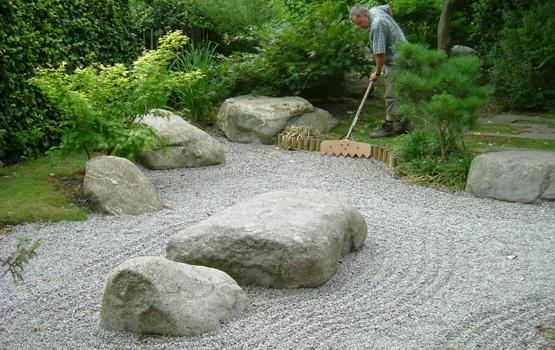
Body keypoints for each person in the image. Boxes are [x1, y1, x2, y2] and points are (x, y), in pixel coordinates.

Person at [350, 4, 411, 138]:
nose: (359, 26)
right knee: (398, 92)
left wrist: (376, 73)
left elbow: (380, 55)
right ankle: (404, 124)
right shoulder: (375, 10)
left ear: (365, 16)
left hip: (397, 60)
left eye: (359, 23)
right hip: (403, 52)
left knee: (391, 93)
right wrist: (390, 32)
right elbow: (388, 7)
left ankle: (388, 126)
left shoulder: (376, 26)